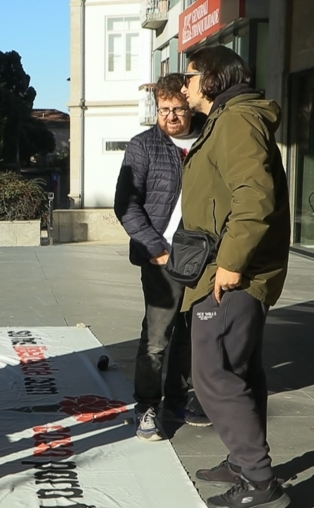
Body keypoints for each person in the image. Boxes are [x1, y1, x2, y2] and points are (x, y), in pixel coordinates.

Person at [179, 46, 291, 508]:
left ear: (211, 79)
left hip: (231, 274)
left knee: (213, 373)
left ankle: (259, 480)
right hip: (229, 267)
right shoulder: (229, 118)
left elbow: (253, 197)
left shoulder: (236, 121)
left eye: (188, 77)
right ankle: (242, 461)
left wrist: (230, 263)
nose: (183, 87)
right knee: (239, 369)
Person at [114, 73, 211, 443]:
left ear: (190, 107)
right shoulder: (144, 146)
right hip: (161, 256)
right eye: (163, 110)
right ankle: (146, 406)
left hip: (202, 256)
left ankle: (177, 400)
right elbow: (126, 204)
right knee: (157, 337)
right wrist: (155, 248)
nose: (170, 117)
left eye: (178, 109)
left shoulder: (209, 139)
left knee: (191, 334)